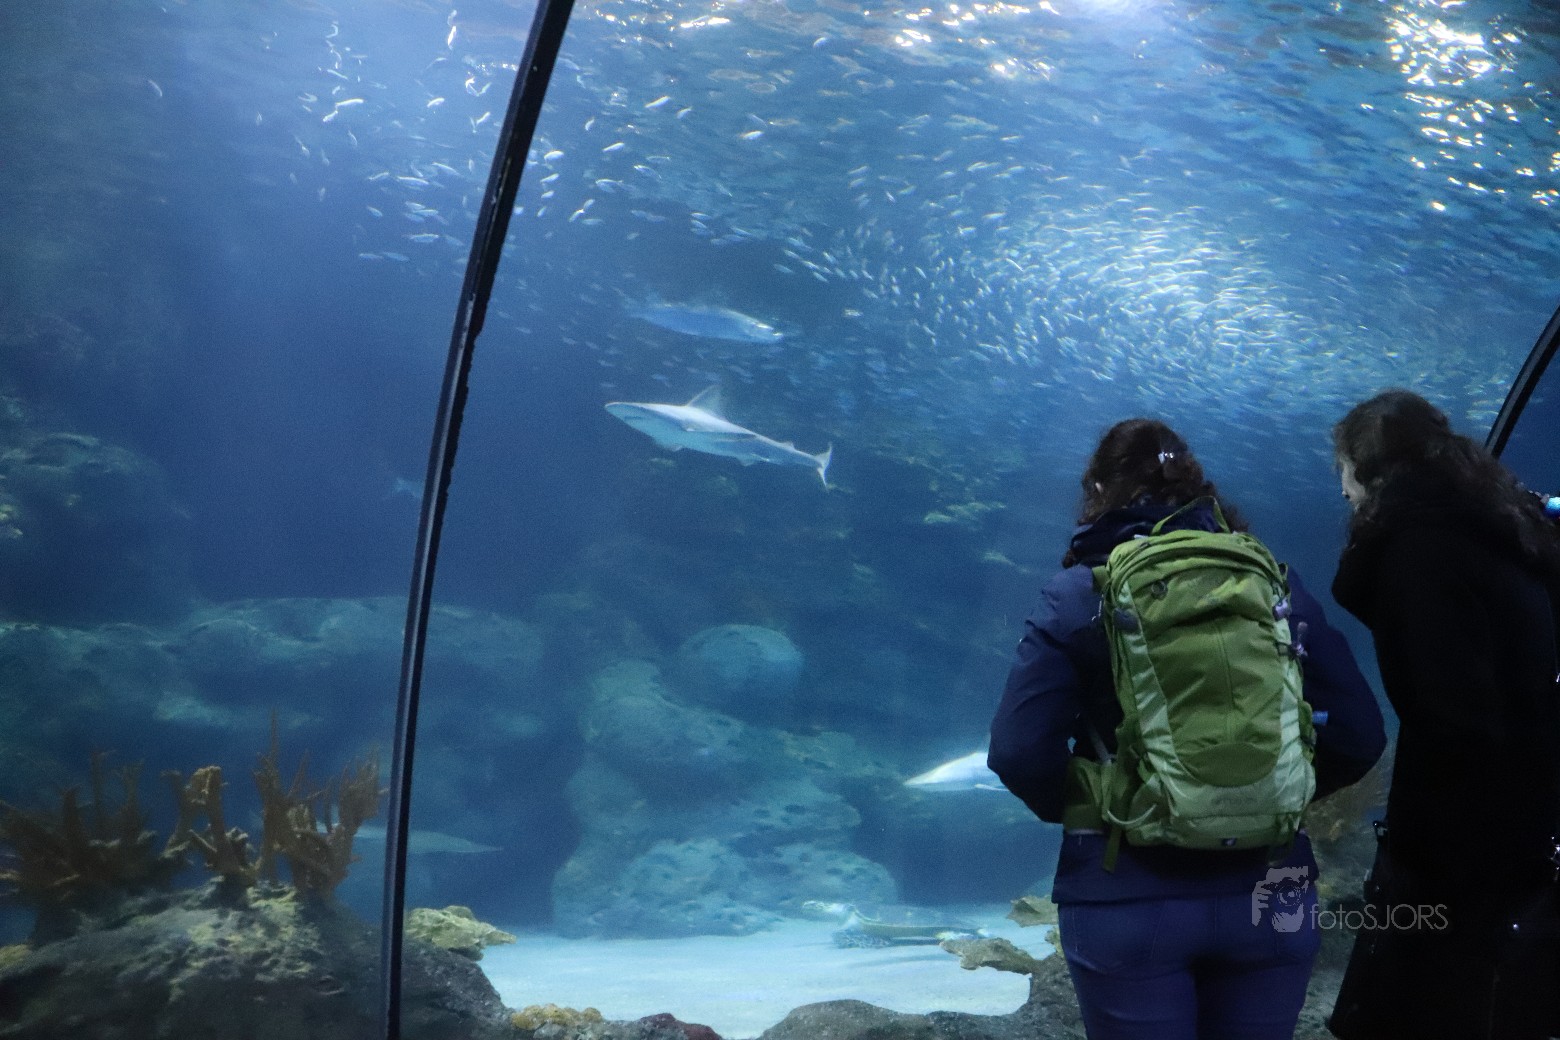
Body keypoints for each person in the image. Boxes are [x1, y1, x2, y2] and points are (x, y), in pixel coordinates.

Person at [989, 417, 1387, 1040]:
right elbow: (1361, 734)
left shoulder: (1077, 595)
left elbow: (1018, 753)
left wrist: (1115, 804)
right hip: (1272, 886)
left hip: (1126, 890)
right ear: (1200, 488)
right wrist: (1264, 794)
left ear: (1098, 491)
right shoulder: (1275, 586)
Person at [1327, 389, 1560, 1040]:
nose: (1342, 491)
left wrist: (1418, 860)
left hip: (1455, 857)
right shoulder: (1513, 537)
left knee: (1418, 1008)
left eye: (1342, 471)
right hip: (1530, 831)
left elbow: (1452, 720)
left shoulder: (1417, 549)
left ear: (1366, 466)